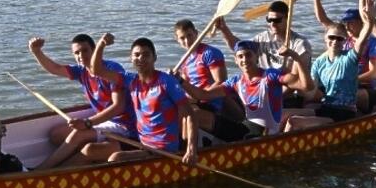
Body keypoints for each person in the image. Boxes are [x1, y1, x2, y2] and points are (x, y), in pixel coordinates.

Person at [87, 34, 200, 164]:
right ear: (131, 59)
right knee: (92, 148)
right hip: (143, 143)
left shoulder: (166, 82)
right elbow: (96, 70)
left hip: (164, 149)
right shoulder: (130, 80)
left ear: (154, 58)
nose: (140, 58)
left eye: (146, 55)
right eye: (136, 55)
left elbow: (190, 114)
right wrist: (101, 45)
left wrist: (191, 149)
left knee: (115, 159)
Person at [27, 34, 135, 169]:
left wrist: (87, 123)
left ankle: (41, 171)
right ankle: (85, 158)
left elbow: (118, 107)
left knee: (78, 134)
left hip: (124, 124)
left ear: (95, 50)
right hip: (106, 122)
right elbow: (55, 69)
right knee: (56, 135)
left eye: (85, 50)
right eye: (76, 53)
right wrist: (37, 52)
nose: (81, 55)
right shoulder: (81, 71)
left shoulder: (112, 69)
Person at [287, 0, 376, 131]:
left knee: (294, 123)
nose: (335, 41)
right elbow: (311, 92)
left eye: (339, 38)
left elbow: (362, 39)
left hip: (344, 112)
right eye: (331, 37)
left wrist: (370, 21)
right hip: (326, 107)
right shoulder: (320, 61)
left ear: (345, 41)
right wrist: (290, 84)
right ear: (325, 38)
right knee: (285, 115)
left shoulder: (349, 58)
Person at [215, 0, 312, 107]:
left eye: (277, 20)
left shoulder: (300, 45)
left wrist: (268, 98)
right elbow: (241, 48)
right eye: (269, 20)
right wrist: (224, 30)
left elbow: (296, 80)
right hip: (262, 92)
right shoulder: (263, 38)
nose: (272, 24)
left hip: (289, 96)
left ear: (288, 19)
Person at [170, 19, 246, 142]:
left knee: (189, 115)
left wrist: (198, 97)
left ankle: (189, 149)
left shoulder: (210, 53)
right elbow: (186, 86)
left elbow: (221, 82)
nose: (187, 41)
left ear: (196, 33)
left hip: (211, 103)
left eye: (190, 35)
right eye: (182, 38)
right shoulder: (184, 61)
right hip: (196, 101)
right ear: (177, 40)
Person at [223, 40, 313, 136]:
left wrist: (296, 57)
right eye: (240, 56)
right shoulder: (235, 81)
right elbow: (208, 93)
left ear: (257, 57)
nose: (244, 59)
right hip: (250, 128)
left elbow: (307, 86)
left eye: (248, 55)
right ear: (236, 60)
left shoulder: (271, 76)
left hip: (266, 133)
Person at [311, 0, 376, 88]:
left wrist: (348, 79)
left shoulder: (373, 43)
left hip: (363, 85)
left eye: (351, 23)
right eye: (345, 23)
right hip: (339, 80)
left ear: (361, 23)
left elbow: (374, 73)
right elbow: (323, 20)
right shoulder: (342, 36)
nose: (347, 26)